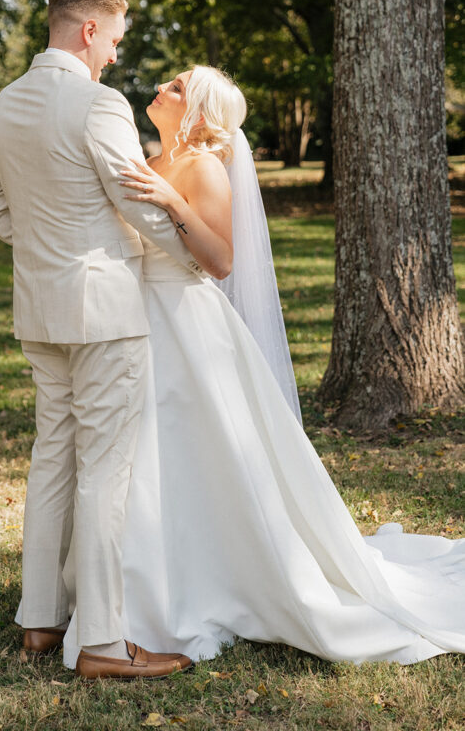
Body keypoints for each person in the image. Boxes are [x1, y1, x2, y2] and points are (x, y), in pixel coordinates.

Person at [60, 64, 465, 667]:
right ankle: (129, 589)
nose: (162, 89)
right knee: (142, 456)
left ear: (195, 113)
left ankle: (198, 585)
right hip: (140, 321)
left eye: (176, 86)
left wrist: (173, 201)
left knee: (184, 446)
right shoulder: (156, 158)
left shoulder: (199, 168)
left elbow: (221, 259)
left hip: (186, 324)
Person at [0, 0, 196, 679]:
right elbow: (140, 204)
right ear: (88, 31)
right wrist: (194, 253)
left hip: (38, 307)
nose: (114, 60)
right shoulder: (98, 104)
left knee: (52, 458)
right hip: (101, 311)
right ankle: (100, 641)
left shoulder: (4, 105)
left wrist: (47, 245)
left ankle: (40, 620)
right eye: (115, 42)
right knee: (104, 470)